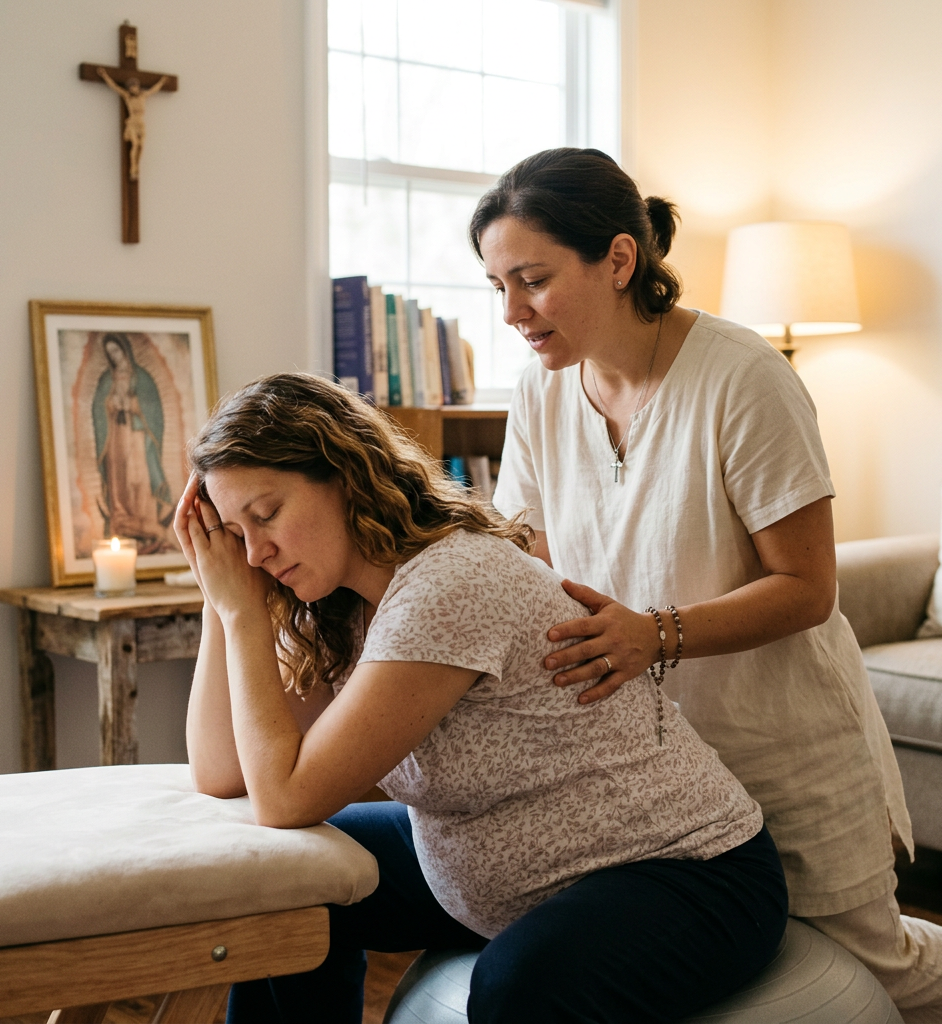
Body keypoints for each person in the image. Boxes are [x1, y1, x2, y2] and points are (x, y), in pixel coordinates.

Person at [471, 146, 942, 1022]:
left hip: (781, 743)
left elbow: (808, 587)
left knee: (877, 970)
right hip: (650, 773)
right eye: (497, 286)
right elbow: (523, 559)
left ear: (619, 259)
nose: (512, 312)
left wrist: (653, 633)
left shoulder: (743, 375)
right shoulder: (538, 394)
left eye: (531, 280)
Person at [175, 372, 788, 1024]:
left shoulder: (447, 584)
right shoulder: (340, 602)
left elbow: (285, 795)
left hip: (688, 874)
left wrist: (244, 617)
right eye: (236, 534)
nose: (256, 551)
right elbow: (224, 774)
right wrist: (224, 601)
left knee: (518, 985)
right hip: (506, 866)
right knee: (279, 880)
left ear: (344, 475)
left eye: (267, 515)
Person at [93, 333, 175, 550]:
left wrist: (132, 404)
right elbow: (98, 409)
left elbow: (153, 410)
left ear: (125, 350)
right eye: (110, 354)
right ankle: (121, 521)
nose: (115, 357)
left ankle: (147, 522)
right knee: (118, 478)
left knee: (139, 477)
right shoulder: (106, 380)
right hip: (115, 436)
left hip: (138, 434)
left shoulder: (142, 378)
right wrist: (111, 404)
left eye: (117, 351)